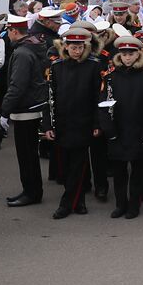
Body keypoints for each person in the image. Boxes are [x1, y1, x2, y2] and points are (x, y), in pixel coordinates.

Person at [45, 27, 104, 220]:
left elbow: (98, 97)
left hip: (84, 122)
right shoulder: (56, 66)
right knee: (66, 165)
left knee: (78, 164)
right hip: (62, 123)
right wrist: (47, 125)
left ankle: (66, 203)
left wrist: (97, 123)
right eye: (72, 46)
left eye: (80, 46)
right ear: (65, 46)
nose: (76, 50)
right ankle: (79, 202)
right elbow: (49, 97)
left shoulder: (94, 66)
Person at [100, 36, 143, 219]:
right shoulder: (110, 76)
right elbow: (103, 104)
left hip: (138, 130)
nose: (127, 58)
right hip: (117, 130)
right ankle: (120, 204)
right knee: (119, 172)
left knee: (138, 172)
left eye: (131, 54)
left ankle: (134, 205)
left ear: (137, 54)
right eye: (124, 54)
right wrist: (109, 130)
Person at [0, 15, 49, 208]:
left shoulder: (22, 53)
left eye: (9, 31)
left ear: (13, 31)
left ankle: (31, 192)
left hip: (25, 109)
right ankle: (30, 190)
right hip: (32, 106)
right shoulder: (31, 47)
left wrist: (4, 111)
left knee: (26, 155)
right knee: (29, 154)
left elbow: (17, 86)